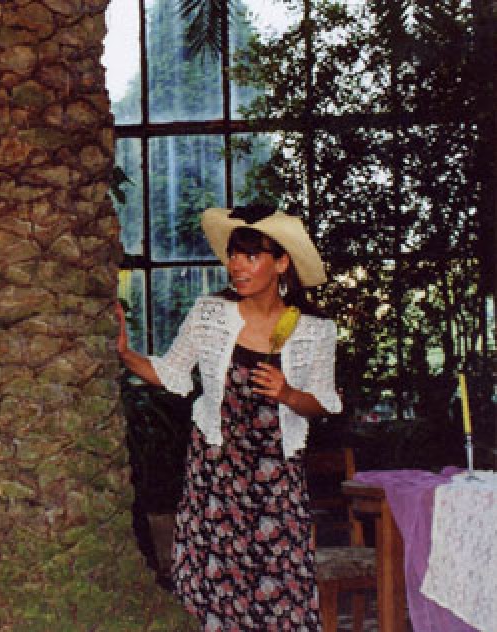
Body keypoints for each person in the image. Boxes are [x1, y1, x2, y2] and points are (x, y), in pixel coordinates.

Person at [116, 205, 342, 630]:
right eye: (234, 255)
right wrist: (126, 354)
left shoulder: (314, 329)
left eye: (251, 256)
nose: (237, 266)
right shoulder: (210, 314)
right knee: (213, 590)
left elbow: (325, 403)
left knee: (281, 589)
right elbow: (172, 373)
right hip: (215, 476)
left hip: (277, 480)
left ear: (281, 263)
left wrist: (288, 394)